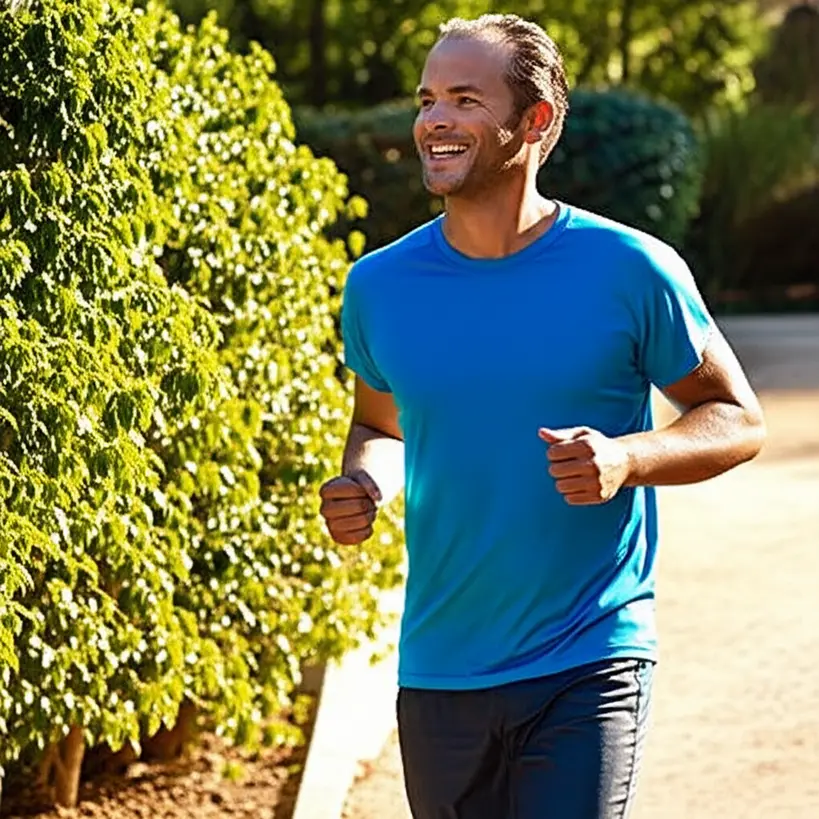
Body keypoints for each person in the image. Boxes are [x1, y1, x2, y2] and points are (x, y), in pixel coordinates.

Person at [318, 13, 766, 819]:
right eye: (426, 100)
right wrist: (365, 484)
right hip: (441, 665)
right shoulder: (379, 287)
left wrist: (628, 457)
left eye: (463, 98)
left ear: (534, 121)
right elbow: (379, 427)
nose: (433, 121)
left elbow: (734, 415)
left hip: (588, 655)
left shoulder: (630, 269)